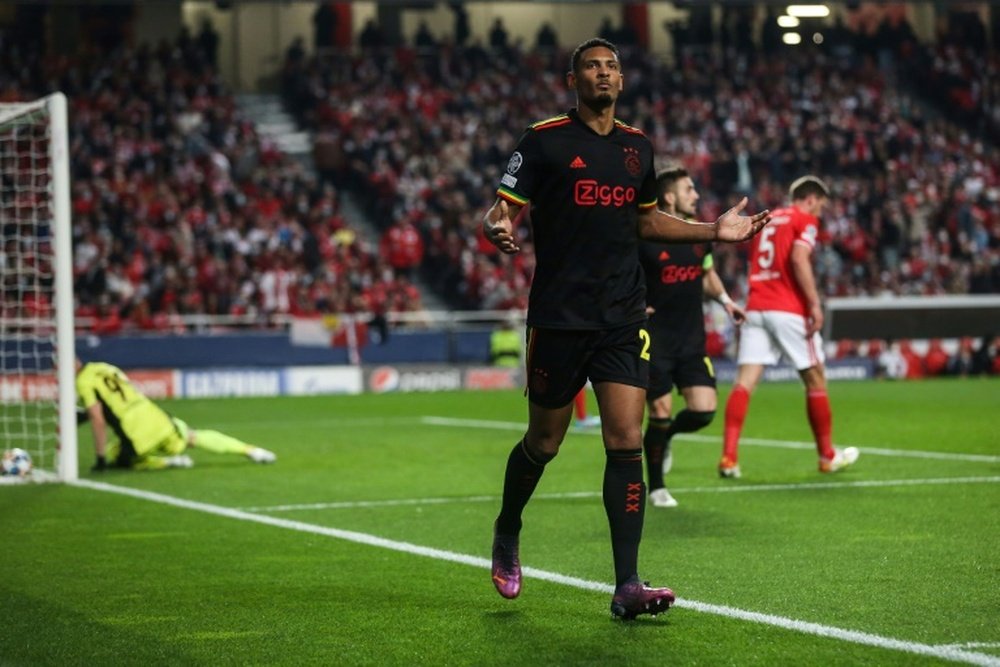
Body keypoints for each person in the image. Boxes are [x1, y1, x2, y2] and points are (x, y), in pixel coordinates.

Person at [482, 37, 770, 620]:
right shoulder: (542, 140)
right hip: (561, 317)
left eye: (612, 66)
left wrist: (713, 230)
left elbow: (649, 223)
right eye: (592, 66)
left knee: (626, 440)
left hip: (622, 315)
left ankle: (628, 583)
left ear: (622, 78)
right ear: (573, 80)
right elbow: (501, 209)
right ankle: (508, 528)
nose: (604, 73)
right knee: (544, 442)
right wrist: (496, 225)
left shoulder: (639, 149)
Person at [719, 176, 858, 478]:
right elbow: (798, 258)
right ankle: (827, 456)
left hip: (756, 305)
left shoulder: (769, 219)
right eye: (820, 205)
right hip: (787, 308)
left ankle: (729, 459)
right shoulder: (803, 218)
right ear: (810, 199)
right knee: (816, 379)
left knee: (744, 383)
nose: (819, 212)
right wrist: (814, 304)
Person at [639, 167, 746, 509]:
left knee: (703, 411)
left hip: (690, 338)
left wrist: (727, 301)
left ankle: (666, 437)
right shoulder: (646, 235)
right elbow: (622, 274)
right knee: (659, 409)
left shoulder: (700, 236)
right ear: (669, 196)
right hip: (653, 338)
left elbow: (707, 275)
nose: (696, 195)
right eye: (689, 190)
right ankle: (656, 486)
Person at [76, 359, 276, 471]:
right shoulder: (104, 367)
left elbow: (98, 417)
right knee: (193, 436)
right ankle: (251, 450)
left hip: (136, 434)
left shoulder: (83, 381)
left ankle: (168, 462)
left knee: (118, 458)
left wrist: (100, 459)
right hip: (157, 417)